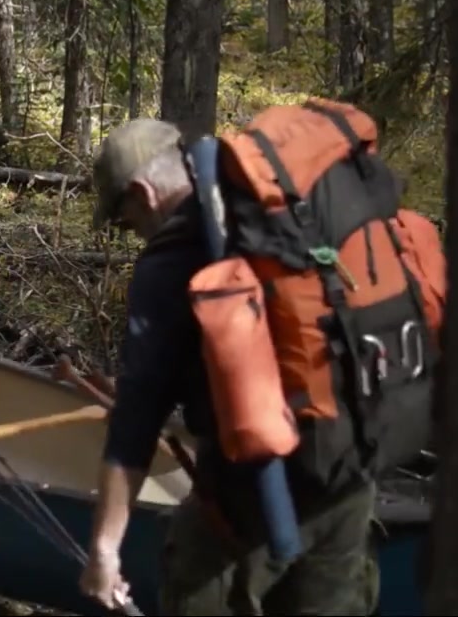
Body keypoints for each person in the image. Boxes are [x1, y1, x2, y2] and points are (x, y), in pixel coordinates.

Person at [77, 117, 384, 615]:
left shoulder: (168, 263)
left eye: (125, 220)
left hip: (253, 497)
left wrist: (105, 550)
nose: (132, 233)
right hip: (348, 478)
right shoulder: (288, 214)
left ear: (143, 193)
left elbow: (136, 421)